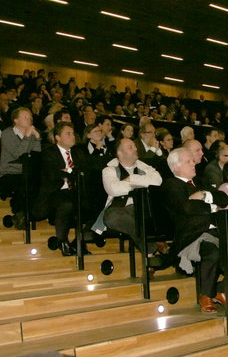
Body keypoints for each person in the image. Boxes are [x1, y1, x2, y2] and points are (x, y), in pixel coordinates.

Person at [161, 147, 228, 313]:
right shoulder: (171, 184)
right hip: (192, 235)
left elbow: (224, 198)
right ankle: (206, 295)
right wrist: (212, 207)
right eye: (188, 161)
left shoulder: (200, 182)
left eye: (193, 160)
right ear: (176, 166)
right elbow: (187, 208)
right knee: (212, 252)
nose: (193, 164)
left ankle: (220, 289)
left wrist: (204, 196)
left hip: (215, 230)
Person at [91, 138, 162, 253]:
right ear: (120, 153)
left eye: (135, 146)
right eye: (131, 147)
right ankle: (152, 245)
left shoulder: (143, 166)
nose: (135, 149)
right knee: (111, 217)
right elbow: (113, 189)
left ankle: (150, 250)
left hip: (143, 209)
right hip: (120, 211)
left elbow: (157, 181)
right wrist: (141, 183)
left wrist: (131, 179)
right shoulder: (109, 169)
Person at [33, 122, 85, 256]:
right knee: (66, 205)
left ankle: (81, 241)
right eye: (68, 134)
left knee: (90, 202)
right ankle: (63, 241)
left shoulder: (79, 153)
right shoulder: (49, 152)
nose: (72, 136)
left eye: (73, 133)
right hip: (54, 192)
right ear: (58, 137)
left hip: (75, 191)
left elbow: (83, 172)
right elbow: (53, 175)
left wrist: (66, 171)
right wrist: (71, 171)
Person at [0, 107, 41, 228]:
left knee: (38, 182)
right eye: (25, 117)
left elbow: (36, 156)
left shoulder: (33, 133)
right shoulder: (7, 133)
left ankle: (20, 216)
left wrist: (37, 138)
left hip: (27, 173)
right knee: (23, 183)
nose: (29, 119)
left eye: (30, 117)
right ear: (16, 120)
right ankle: (22, 214)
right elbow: (17, 154)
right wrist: (28, 136)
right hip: (9, 173)